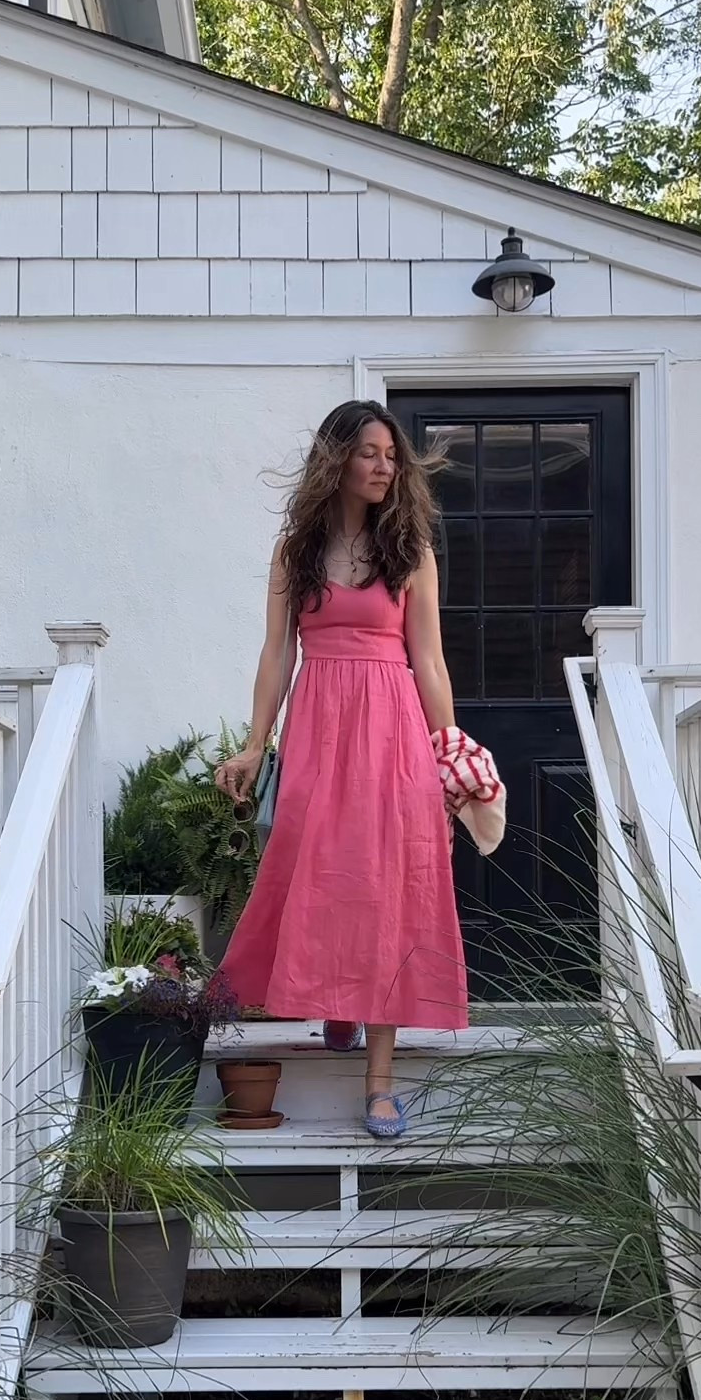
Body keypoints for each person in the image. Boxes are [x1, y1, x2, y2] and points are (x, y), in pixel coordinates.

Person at [216, 399, 468, 1137]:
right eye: (369, 453)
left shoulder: (411, 552)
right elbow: (276, 654)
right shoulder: (295, 552)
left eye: (392, 455)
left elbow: (429, 661)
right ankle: (337, 999)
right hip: (320, 730)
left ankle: (379, 1082)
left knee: (390, 888)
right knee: (323, 873)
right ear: (336, 460)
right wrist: (255, 742)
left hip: (394, 731)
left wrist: (450, 751)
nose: (385, 466)